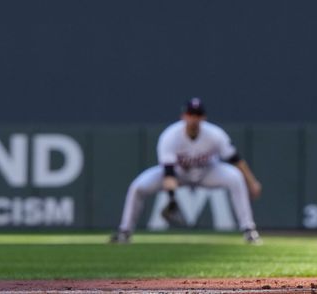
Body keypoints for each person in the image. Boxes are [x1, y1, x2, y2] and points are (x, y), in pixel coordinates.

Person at [111, 98, 262, 244]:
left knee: (235, 177)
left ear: (203, 117)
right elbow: (168, 172)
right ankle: (125, 231)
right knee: (138, 186)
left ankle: (249, 229)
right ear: (183, 116)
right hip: (178, 174)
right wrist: (171, 198)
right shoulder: (170, 136)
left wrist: (252, 182)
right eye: (190, 114)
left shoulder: (215, 134)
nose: (194, 118)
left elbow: (235, 159)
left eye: (197, 114)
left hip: (208, 172)